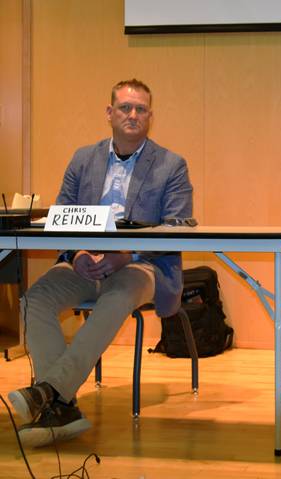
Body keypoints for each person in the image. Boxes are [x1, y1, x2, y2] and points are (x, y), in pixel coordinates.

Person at [7, 79, 193, 447]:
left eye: (141, 109)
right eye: (125, 107)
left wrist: (127, 255)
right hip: (83, 261)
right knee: (34, 300)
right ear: (110, 113)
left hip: (142, 265)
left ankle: (48, 392)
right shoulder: (83, 159)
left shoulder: (171, 164)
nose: (133, 115)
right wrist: (76, 255)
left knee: (119, 292)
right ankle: (62, 405)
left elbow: (177, 227)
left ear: (150, 117)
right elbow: (61, 215)